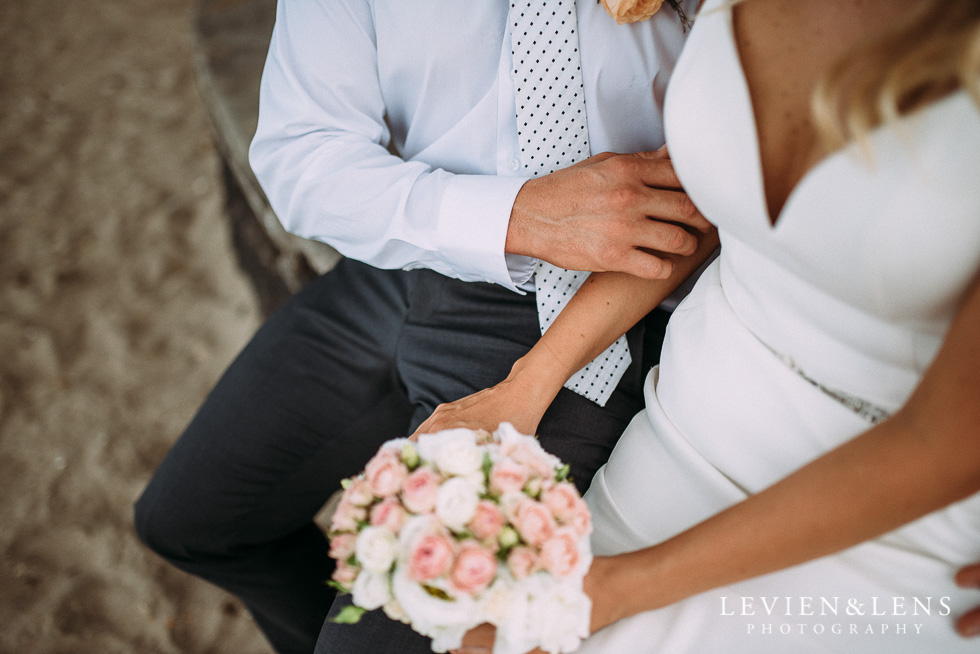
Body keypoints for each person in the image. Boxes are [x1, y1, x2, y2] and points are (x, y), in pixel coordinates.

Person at [133, 1, 712, 653]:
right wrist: (521, 216)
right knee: (189, 522)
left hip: (587, 312)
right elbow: (302, 156)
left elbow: (717, 183)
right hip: (406, 263)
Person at [416, 0, 980, 652]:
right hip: (682, 434)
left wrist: (613, 589)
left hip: (899, 521)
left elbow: (947, 439)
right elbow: (691, 210)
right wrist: (524, 387)